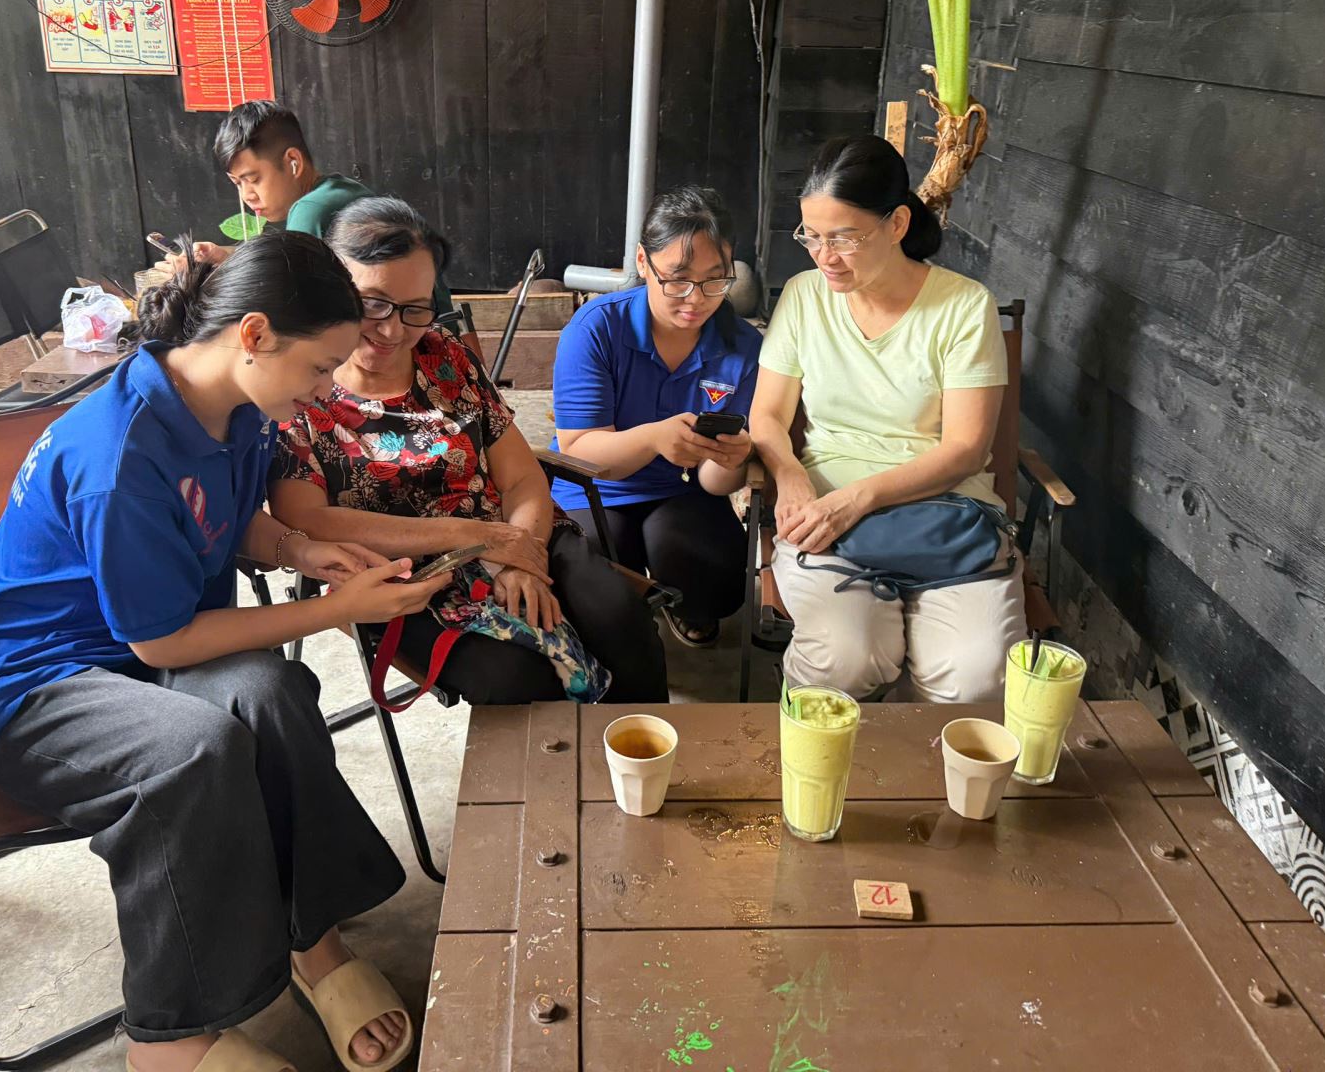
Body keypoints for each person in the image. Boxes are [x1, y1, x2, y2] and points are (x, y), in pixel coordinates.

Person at [0, 232, 442, 1072]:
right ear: (254, 335)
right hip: (33, 684)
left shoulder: (237, 408)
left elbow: (225, 516)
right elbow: (162, 638)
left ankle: (311, 942)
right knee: (191, 749)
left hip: (138, 655)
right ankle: (167, 1037)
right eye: (320, 367)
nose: (327, 389)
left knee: (272, 695)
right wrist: (335, 612)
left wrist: (298, 548)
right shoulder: (120, 454)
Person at [268, 196, 669, 706]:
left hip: (516, 534)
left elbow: (520, 478)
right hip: (403, 576)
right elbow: (305, 518)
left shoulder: (446, 356)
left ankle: (642, 755)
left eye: (415, 308)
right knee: (514, 680)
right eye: (372, 303)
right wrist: (476, 539)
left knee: (621, 621)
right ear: (334, 289)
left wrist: (522, 558)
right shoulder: (303, 383)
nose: (393, 330)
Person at [750, 135, 1027, 703]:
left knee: (977, 676)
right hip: (825, 521)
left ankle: (920, 759)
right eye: (812, 236)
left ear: (897, 224)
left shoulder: (964, 306)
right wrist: (790, 473)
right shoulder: (803, 297)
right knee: (843, 659)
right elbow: (768, 414)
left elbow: (967, 449)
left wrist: (858, 499)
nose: (824, 256)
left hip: (945, 517)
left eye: (844, 238)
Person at [550, 186, 760, 647]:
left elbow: (714, 484)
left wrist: (733, 459)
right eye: (678, 279)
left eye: (715, 280)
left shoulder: (743, 347)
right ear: (643, 262)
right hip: (592, 488)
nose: (696, 299)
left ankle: (684, 604)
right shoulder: (596, 329)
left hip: (681, 490)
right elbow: (580, 450)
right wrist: (652, 438)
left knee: (716, 578)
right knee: (592, 579)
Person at [151, 99, 453, 324]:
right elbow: (288, 260)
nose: (247, 195)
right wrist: (224, 256)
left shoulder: (312, 210)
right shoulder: (338, 189)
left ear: (293, 162)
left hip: (410, 335)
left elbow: (282, 295)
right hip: (427, 325)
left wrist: (198, 277)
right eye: (237, 183)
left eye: (253, 179)